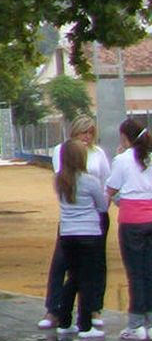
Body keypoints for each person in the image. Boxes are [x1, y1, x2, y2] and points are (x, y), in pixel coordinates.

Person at [39, 116, 112, 330]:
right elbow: (64, 178)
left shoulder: (98, 154)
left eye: (90, 133)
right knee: (62, 263)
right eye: (83, 133)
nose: (87, 137)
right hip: (74, 215)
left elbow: (106, 181)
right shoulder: (62, 151)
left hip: (94, 214)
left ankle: (93, 308)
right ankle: (54, 309)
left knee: (95, 265)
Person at [53, 138, 109, 339]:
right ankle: (85, 325)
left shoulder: (59, 180)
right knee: (88, 279)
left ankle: (64, 320)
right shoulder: (89, 180)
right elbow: (102, 206)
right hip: (89, 233)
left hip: (68, 233)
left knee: (73, 277)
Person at [107, 117, 152, 340]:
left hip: (132, 220)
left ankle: (136, 324)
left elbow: (111, 189)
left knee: (135, 272)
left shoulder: (122, 160)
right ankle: (150, 321)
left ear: (125, 137)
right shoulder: (150, 157)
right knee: (149, 270)